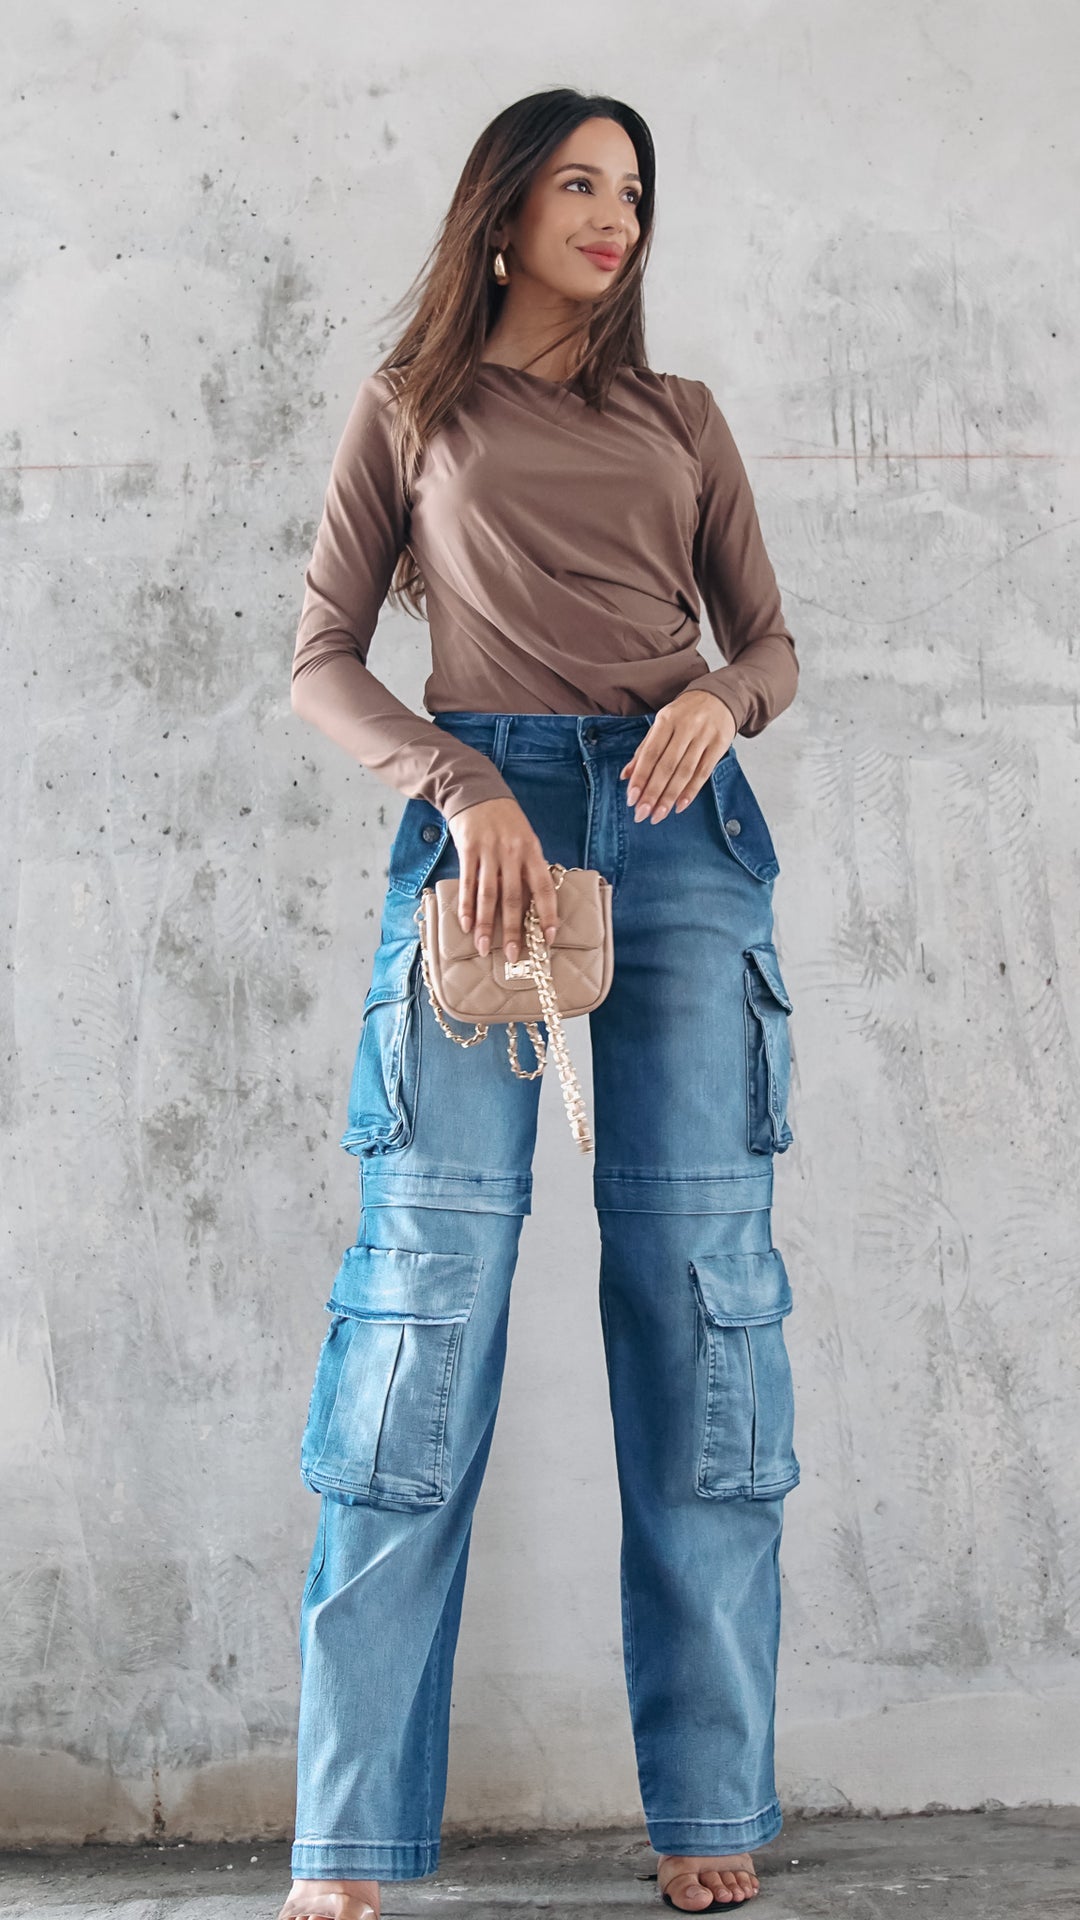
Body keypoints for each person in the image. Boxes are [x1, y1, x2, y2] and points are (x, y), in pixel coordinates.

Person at [277, 86, 801, 1920]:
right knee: (422, 1300)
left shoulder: (683, 418)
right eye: (579, 183)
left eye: (633, 191)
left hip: (682, 841)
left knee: (701, 1306)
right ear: (501, 212)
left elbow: (772, 641)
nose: (613, 216)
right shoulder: (412, 407)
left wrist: (720, 698)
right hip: (481, 849)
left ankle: (710, 1805)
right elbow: (320, 660)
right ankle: (348, 1838)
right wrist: (462, 782)